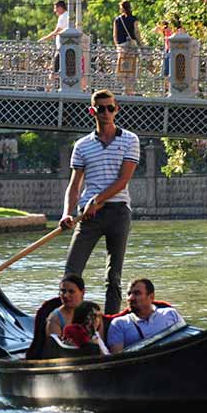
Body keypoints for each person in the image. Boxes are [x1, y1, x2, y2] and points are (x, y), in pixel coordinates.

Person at [60, 89, 140, 314]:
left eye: (110, 108)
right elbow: (74, 185)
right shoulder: (82, 145)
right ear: (92, 111)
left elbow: (123, 180)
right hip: (87, 215)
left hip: (118, 212)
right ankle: (68, 320)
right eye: (101, 109)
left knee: (113, 276)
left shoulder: (130, 140)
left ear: (116, 110)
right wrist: (67, 213)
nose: (106, 112)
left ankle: (111, 321)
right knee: (71, 273)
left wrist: (97, 199)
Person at [106, 278, 185, 354]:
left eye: (137, 293)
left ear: (151, 297)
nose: (131, 298)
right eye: (129, 294)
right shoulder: (119, 324)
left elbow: (187, 340)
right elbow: (118, 359)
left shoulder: (170, 314)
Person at [37, 0, 69, 88]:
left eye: (55, 8)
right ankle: (55, 87)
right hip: (64, 48)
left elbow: (57, 31)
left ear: (60, 7)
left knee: (54, 70)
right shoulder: (67, 16)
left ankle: (49, 89)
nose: (55, 11)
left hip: (62, 48)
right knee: (58, 69)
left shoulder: (63, 16)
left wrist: (45, 38)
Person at [113, 0, 142, 95]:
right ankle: (130, 90)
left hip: (122, 47)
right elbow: (136, 33)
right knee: (131, 69)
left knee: (122, 68)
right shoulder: (134, 19)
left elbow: (115, 35)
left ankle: (123, 89)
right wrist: (141, 45)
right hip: (131, 46)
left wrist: (117, 46)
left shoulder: (117, 20)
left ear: (121, 8)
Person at [45, 273, 86, 339]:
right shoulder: (55, 319)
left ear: (83, 292)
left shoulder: (92, 312)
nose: (66, 295)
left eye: (71, 291)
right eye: (63, 291)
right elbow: (55, 347)